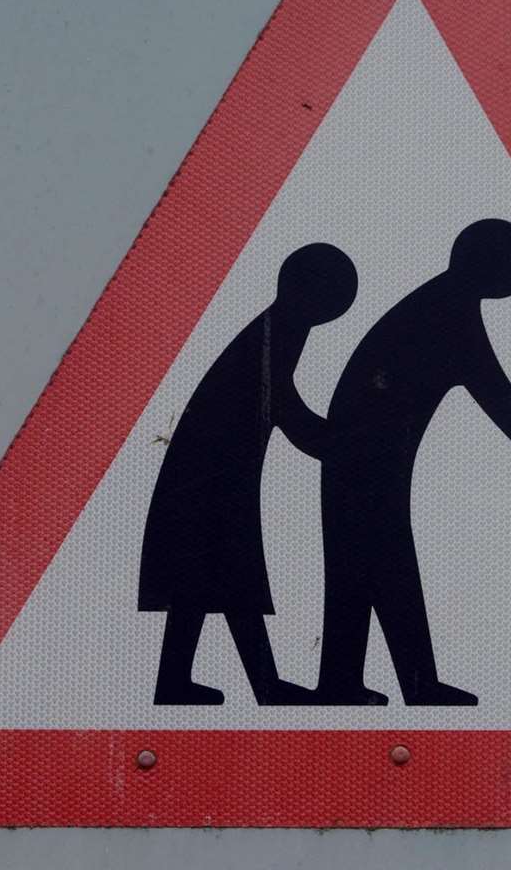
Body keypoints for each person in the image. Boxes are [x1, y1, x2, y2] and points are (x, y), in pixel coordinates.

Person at [314, 218, 511, 706]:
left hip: (364, 460)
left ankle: (366, 682)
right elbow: (499, 397)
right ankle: (399, 684)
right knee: (378, 567)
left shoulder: (441, 304)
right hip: (365, 462)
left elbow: (494, 394)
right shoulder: (448, 314)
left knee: (366, 569)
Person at [138, 242, 357, 705]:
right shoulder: (277, 332)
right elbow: (282, 402)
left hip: (219, 472)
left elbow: (279, 401)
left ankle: (231, 683)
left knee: (214, 579)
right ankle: (248, 685)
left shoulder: (283, 326)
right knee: (216, 576)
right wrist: (339, 444)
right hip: (210, 476)